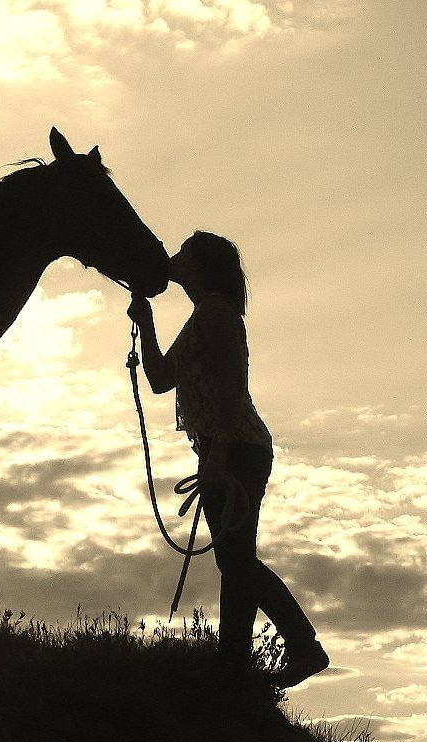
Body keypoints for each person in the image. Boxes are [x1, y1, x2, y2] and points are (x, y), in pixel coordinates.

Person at [127, 230, 328, 688]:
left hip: (233, 450)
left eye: (183, 254)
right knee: (234, 562)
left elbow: (230, 393)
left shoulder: (215, 316)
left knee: (236, 562)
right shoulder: (206, 316)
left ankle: (300, 645)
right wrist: (148, 322)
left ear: (199, 266)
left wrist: (216, 454)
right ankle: (233, 665)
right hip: (233, 449)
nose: (173, 259)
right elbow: (160, 379)